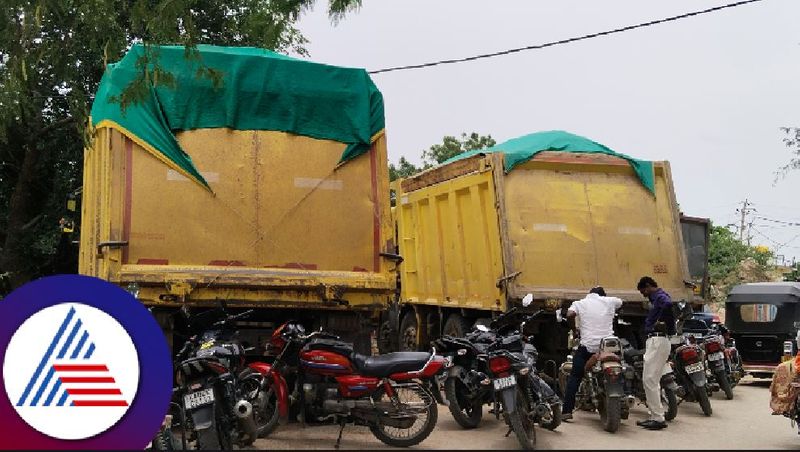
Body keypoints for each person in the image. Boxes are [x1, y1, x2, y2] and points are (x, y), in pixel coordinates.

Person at [561, 286, 623, 421]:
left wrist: (574, 329)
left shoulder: (580, 303)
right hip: (608, 346)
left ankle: (567, 411)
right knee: (623, 368)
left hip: (589, 346)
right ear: (603, 295)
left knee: (575, 376)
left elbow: (570, 315)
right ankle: (626, 396)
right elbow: (621, 302)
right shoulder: (610, 301)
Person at [636, 276, 675, 431]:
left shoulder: (659, 296)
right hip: (661, 341)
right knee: (653, 380)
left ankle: (658, 418)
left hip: (657, 341)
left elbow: (667, 304)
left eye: (643, 291)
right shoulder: (659, 296)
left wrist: (659, 322)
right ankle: (655, 415)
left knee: (649, 380)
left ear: (647, 286)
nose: (644, 295)